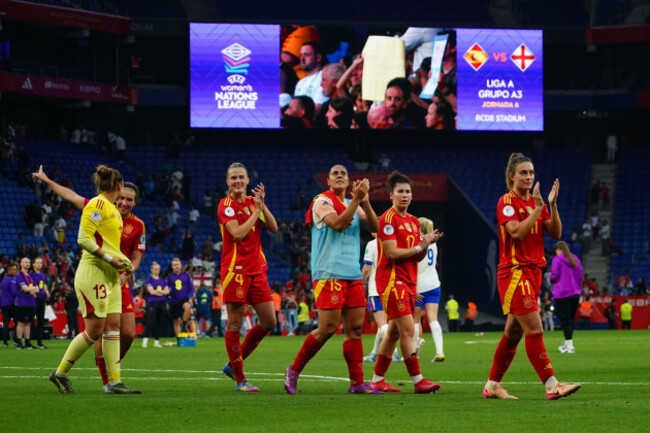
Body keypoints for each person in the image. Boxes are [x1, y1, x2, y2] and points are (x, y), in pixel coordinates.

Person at [33, 166, 146, 393]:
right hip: (94, 271)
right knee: (95, 331)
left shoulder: (113, 212)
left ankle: (114, 382)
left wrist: (125, 263)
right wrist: (110, 258)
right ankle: (60, 373)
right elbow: (84, 238)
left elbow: (113, 245)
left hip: (112, 275)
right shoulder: (97, 204)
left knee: (113, 327)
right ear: (119, 187)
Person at [483, 153, 580, 401]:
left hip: (534, 272)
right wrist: (538, 209)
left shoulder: (538, 203)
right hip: (515, 273)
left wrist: (552, 204)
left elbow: (555, 231)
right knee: (535, 330)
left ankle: (492, 385)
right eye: (523, 173)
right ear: (512, 176)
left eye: (531, 173)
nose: (528, 177)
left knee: (513, 334)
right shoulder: (506, 201)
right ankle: (551, 385)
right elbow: (515, 232)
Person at [285, 164, 381, 395]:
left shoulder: (353, 204)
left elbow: (376, 228)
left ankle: (357, 382)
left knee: (355, 329)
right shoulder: (322, 201)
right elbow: (337, 225)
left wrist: (365, 201)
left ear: (348, 181)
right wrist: (357, 201)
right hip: (328, 273)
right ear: (328, 181)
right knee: (328, 327)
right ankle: (294, 370)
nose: (339, 176)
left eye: (343, 174)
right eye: (335, 174)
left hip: (353, 273)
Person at [368, 171, 443, 393]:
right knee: (408, 330)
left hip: (409, 281)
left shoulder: (412, 222)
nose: (404, 195)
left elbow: (416, 256)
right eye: (400, 191)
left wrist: (427, 243)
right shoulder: (387, 219)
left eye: (407, 192)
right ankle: (418, 380)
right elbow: (391, 253)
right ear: (391, 195)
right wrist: (421, 245)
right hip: (392, 281)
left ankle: (377, 380)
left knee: (393, 332)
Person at [218, 162, 278, 392]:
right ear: (228, 182)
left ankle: (234, 363)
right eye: (233, 178)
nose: (238, 181)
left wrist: (262, 207)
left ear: (247, 180)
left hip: (257, 269)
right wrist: (255, 213)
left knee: (269, 321)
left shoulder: (254, 203)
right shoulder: (226, 205)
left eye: (241, 177)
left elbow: (273, 228)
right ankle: (240, 378)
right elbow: (238, 234)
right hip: (235, 271)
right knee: (235, 323)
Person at [362, 235, 401, 363]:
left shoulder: (372, 244)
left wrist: (361, 283)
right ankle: (374, 353)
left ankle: (394, 352)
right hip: (392, 288)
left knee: (382, 324)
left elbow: (367, 269)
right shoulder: (395, 243)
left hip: (376, 288)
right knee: (384, 324)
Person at [413, 217, 445, 362]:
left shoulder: (418, 242)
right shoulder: (433, 243)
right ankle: (439, 352)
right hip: (433, 284)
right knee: (433, 319)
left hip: (419, 285)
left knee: (416, 320)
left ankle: (415, 351)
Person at [551, 241, 583, 353]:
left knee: (565, 320)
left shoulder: (557, 259)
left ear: (558, 249)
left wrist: (552, 281)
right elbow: (580, 275)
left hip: (562, 293)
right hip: (575, 293)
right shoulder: (575, 259)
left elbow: (554, 275)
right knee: (570, 320)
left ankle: (570, 345)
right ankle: (566, 343)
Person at [166, 258, 195, 341]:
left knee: (187, 307)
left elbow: (191, 288)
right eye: (174, 265)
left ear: (180, 265)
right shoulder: (169, 277)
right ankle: (179, 340)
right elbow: (166, 290)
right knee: (176, 321)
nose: (176, 266)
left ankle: (184, 326)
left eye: (177, 264)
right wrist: (167, 301)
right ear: (172, 266)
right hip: (174, 301)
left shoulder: (186, 276)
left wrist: (190, 297)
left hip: (184, 299)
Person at [142, 262, 170, 348]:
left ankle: (156, 342)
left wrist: (159, 292)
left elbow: (167, 291)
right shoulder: (149, 280)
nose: (156, 270)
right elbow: (152, 292)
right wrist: (162, 292)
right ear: (151, 270)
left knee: (159, 322)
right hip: (152, 302)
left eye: (158, 269)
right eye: (155, 269)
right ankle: (145, 341)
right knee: (150, 322)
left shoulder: (162, 280)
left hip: (161, 303)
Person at [15, 257, 40, 349]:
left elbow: (37, 289)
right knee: (21, 323)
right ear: (21, 264)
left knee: (28, 323)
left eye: (29, 262)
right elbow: (25, 288)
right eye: (25, 262)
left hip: (31, 303)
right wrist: (30, 290)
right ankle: (19, 342)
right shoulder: (19, 276)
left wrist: (29, 290)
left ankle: (27, 342)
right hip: (22, 303)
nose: (28, 263)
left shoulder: (30, 276)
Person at [30, 257, 50, 348]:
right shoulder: (31, 274)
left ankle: (39, 342)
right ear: (33, 264)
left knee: (40, 321)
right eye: (37, 263)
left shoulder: (42, 274)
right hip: (33, 299)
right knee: (31, 321)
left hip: (42, 299)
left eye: (41, 263)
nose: (39, 265)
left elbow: (44, 284)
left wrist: (47, 291)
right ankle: (29, 340)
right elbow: (29, 284)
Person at [1, 262, 20, 348]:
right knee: (17, 322)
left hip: (3, 304)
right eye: (13, 269)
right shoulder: (12, 279)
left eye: (16, 269)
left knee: (6, 323)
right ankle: (16, 340)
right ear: (9, 270)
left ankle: (5, 342)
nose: (15, 271)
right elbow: (14, 292)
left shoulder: (4, 280)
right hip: (11, 304)